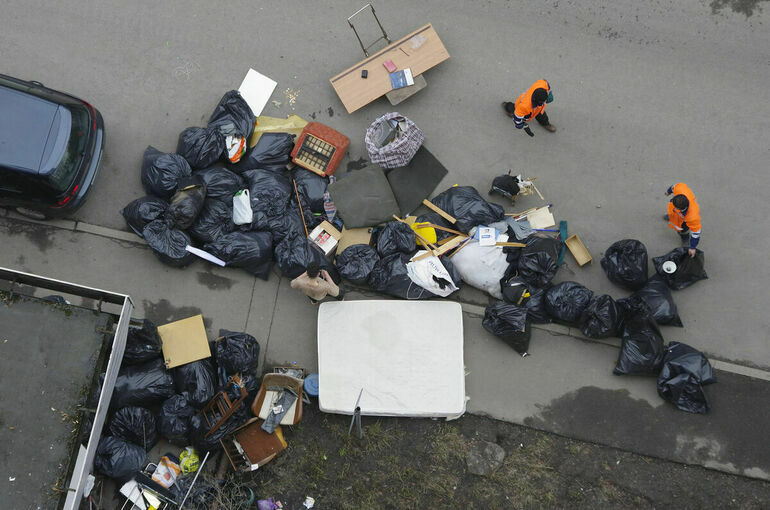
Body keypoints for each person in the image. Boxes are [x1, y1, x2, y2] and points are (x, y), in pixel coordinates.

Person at [664, 182, 701, 258]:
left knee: (683, 230)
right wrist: (668, 192)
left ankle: (685, 237)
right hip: (675, 214)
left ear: (679, 209)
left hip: (683, 221)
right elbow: (673, 187)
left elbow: (696, 233)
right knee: (673, 214)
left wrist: (692, 247)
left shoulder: (692, 217)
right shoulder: (680, 189)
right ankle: (671, 217)